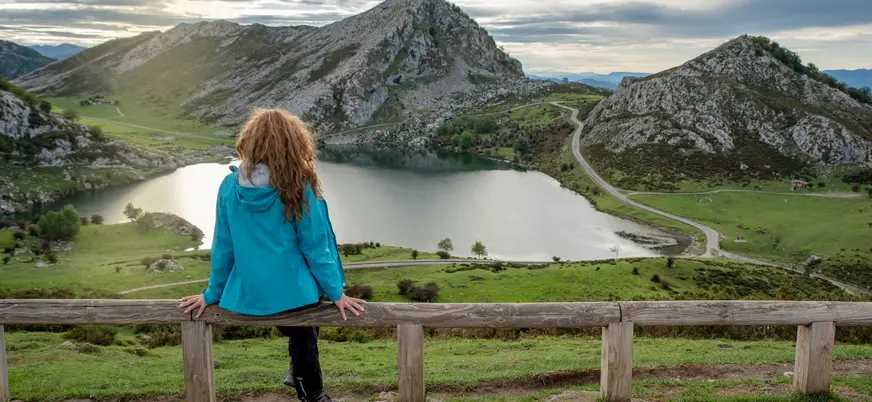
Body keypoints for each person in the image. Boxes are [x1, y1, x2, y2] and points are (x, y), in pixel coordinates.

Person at [179, 108, 366, 402]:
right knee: (304, 329)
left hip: (249, 295)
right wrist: (336, 293)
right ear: (294, 144)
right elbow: (315, 247)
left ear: (250, 142)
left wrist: (211, 293)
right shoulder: (298, 187)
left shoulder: (229, 186)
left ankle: (301, 378)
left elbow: (224, 246)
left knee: (301, 329)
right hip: (293, 295)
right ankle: (312, 394)